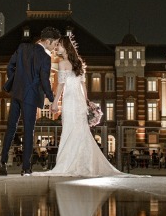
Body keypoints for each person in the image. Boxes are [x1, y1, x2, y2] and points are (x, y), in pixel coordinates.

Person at [46, 35, 136, 178]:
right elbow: (84, 86)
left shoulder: (62, 63)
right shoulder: (79, 63)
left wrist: (55, 102)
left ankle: (69, 163)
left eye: (60, 45)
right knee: (82, 131)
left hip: (69, 100)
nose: (57, 47)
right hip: (79, 100)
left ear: (66, 47)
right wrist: (87, 102)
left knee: (69, 130)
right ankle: (85, 164)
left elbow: (61, 86)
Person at [0, 26, 61, 176]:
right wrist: (53, 100)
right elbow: (45, 81)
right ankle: (26, 168)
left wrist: (15, 82)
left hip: (16, 93)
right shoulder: (45, 57)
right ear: (47, 41)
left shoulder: (22, 47)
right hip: (31, 97)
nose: (54, 48)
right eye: (54, 44)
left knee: (10, 129)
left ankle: (2, 164)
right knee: (29, 131)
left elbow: (10, 66)